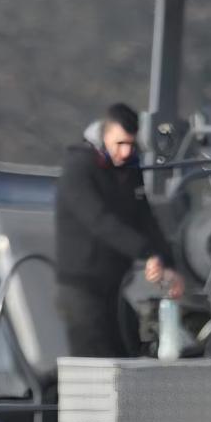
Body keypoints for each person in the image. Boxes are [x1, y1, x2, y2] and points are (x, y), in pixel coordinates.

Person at [55, 103, 182, 358]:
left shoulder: (128, 169)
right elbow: (99, 221)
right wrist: (145, 252)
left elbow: (144, 217)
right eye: (120, 144)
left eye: (131, 145)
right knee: (94, 359)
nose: (125, 152)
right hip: (82, 287)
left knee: (128, 352)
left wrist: (165, 260)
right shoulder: (78, 168)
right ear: (104, 135)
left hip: (114, 287)